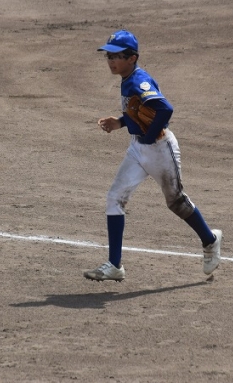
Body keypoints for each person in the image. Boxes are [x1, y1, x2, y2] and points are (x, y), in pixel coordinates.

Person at [84, 29, 222, 282]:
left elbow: (164, 109)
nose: (111, 61)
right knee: (115, 197)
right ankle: (114, 265)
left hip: (160, 149)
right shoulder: (127, 79)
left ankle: (210, 240)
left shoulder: (139, 81)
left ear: (132, 58)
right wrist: (120, 122)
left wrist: (149, 136)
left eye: (116, 56)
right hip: (138, 149)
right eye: (108, 56)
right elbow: (138, 112)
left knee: (176, 202)